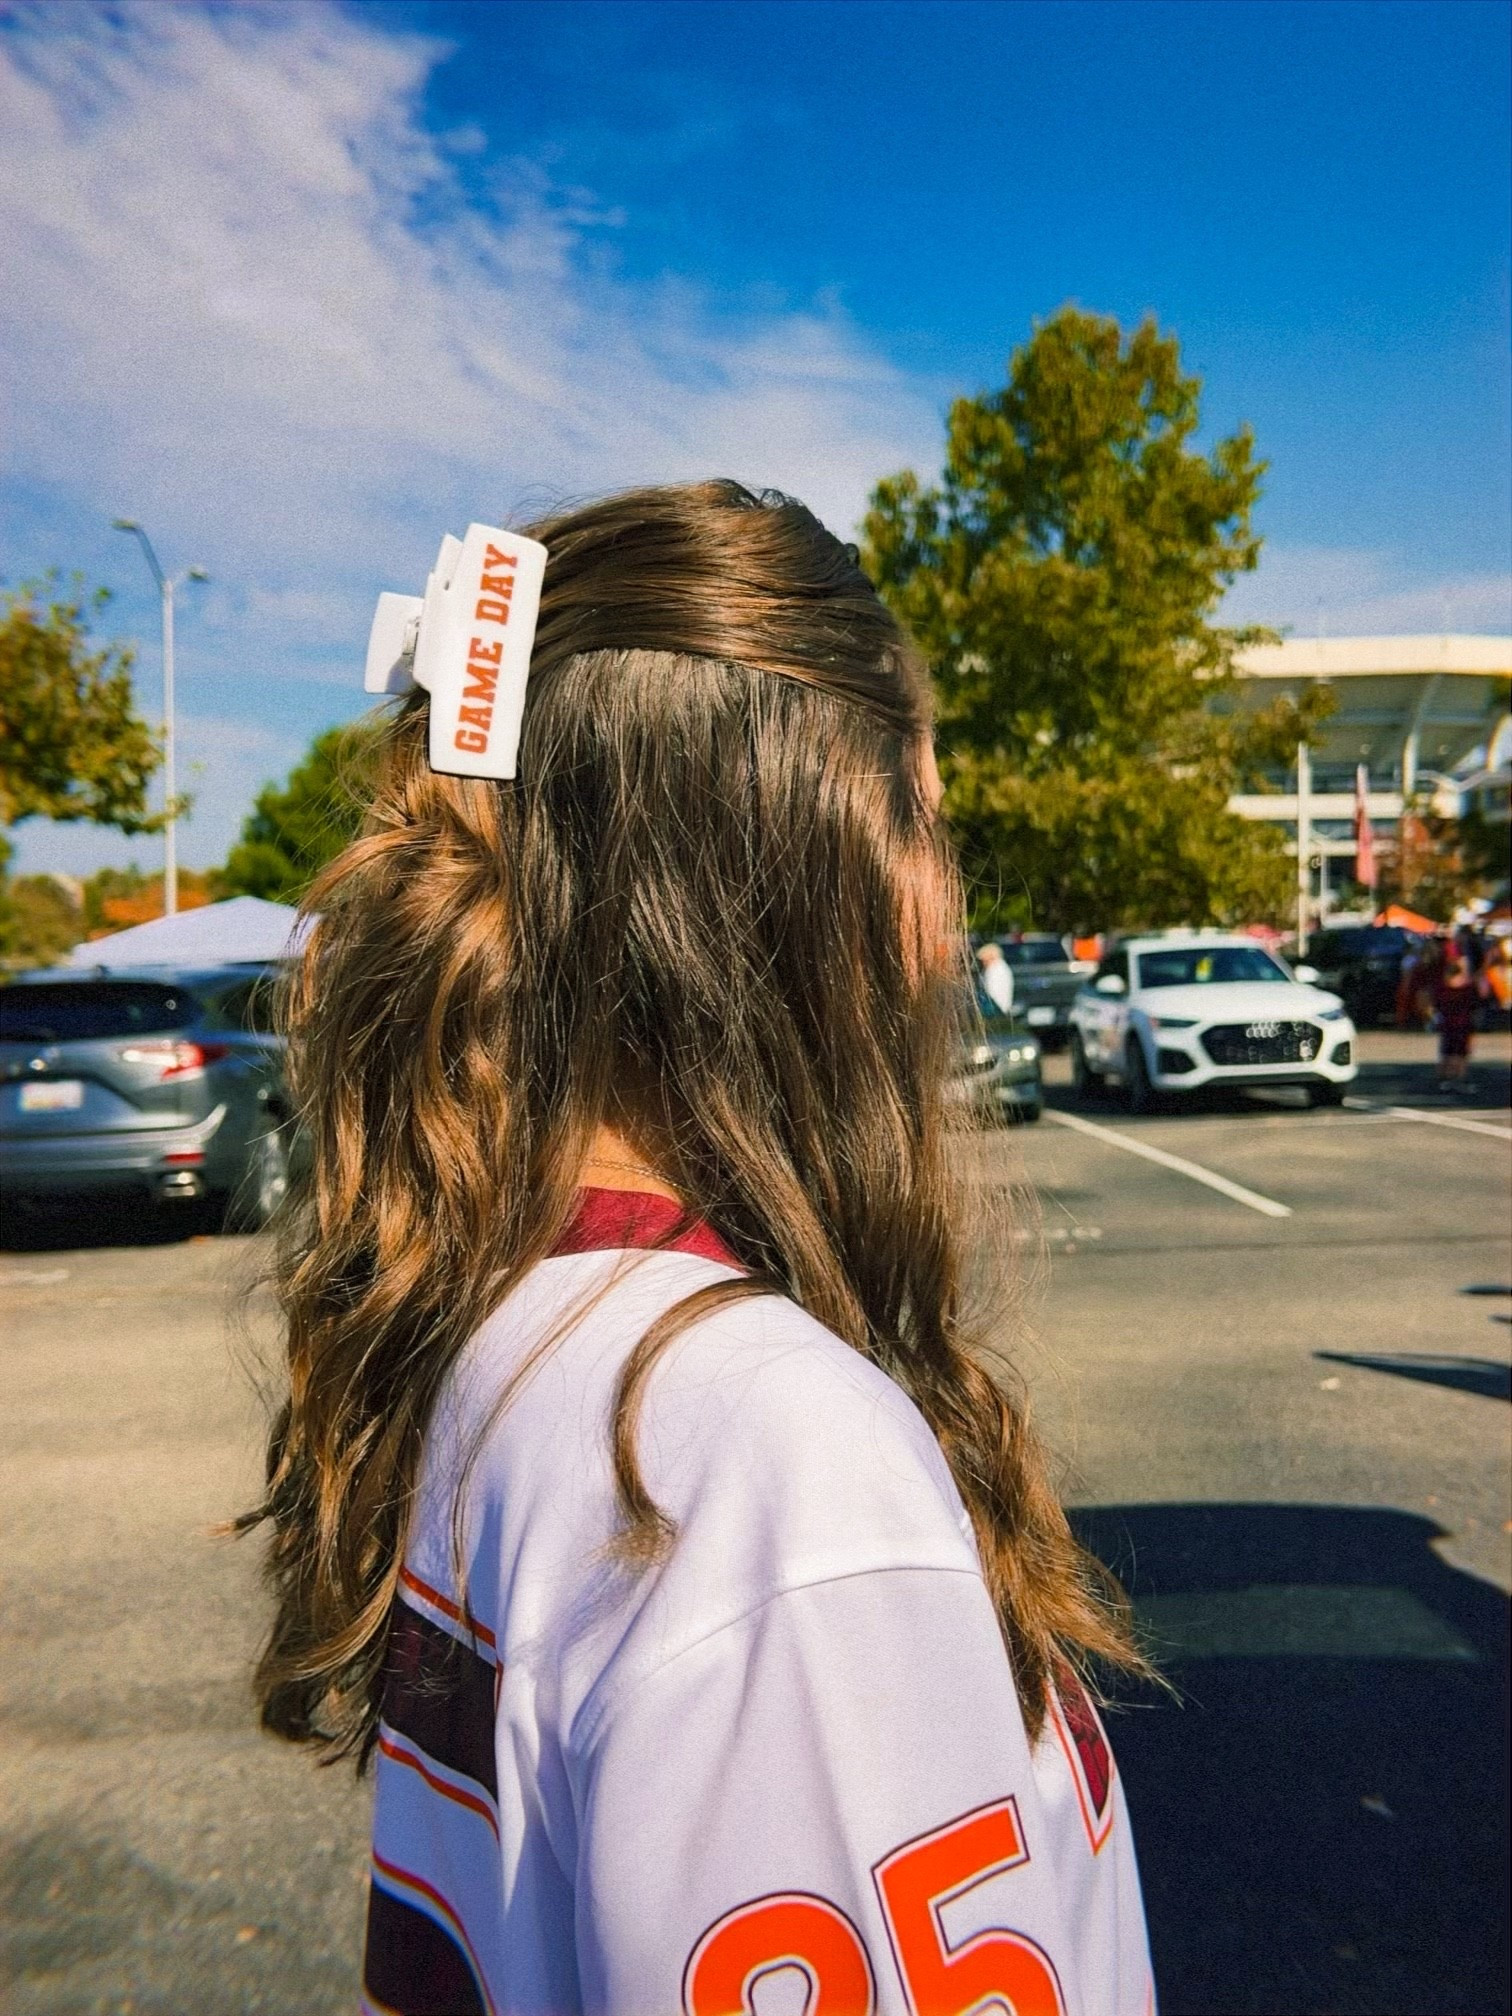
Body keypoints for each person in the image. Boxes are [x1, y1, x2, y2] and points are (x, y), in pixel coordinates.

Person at [245, 482, 1156, 2016]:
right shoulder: (760, 1462)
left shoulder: (517, 1328)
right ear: (798, 872)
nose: (946, 925)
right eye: (925, 824)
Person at [1434, 947, 1482, 1095]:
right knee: (1461, 1053)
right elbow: (1477, 1002)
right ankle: (1459, 1079)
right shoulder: (1468, 988)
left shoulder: (1442, 987)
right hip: (1464, 1023)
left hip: (1447, 1023)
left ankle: (1444, 1079)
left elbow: (1437, 1004)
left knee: (1447, 1051)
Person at [976, 937, 1016, 1015]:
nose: (983, 963)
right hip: (1000, 1006)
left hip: (996, 1007)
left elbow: (991, 990)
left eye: (984, 960)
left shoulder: (995, 969)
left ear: (991, 957)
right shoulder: (1001, 967)